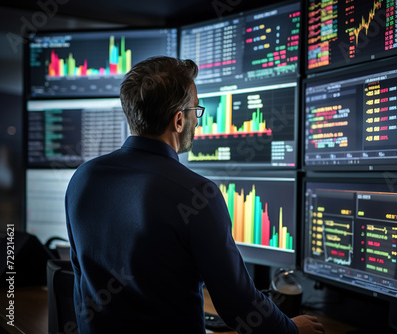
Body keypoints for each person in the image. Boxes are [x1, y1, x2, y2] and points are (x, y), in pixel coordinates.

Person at [65, 56, 325, 334]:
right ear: (178, 120)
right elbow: (239, 306)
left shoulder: (83, 177)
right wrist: (291, 330)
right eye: (195, 110)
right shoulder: (197, 193)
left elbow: (81, 281)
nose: (197, 121)